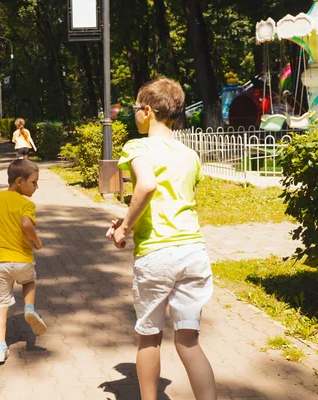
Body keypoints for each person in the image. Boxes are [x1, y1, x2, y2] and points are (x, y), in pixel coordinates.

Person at [106, 77, 216, 400]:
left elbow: (148, 186)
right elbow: (172, 200)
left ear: (148, 110)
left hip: (157, 255)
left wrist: (124, 228)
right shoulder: (190, 154)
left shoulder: (137, 146)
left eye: (136, 108)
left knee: (149, 337)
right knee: (188, 341)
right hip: (193, 252)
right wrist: (128, 218)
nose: (134, 115)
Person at [0, 159, 46, 364]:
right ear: (19, 182)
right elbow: (26, 224)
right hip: (23, 259)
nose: (36, 187)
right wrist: (36, 241)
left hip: (0, 262)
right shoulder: (26, 204)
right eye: (34, 182)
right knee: (28, 282)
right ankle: (29, 309)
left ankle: (0, 348)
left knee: (0, 305)